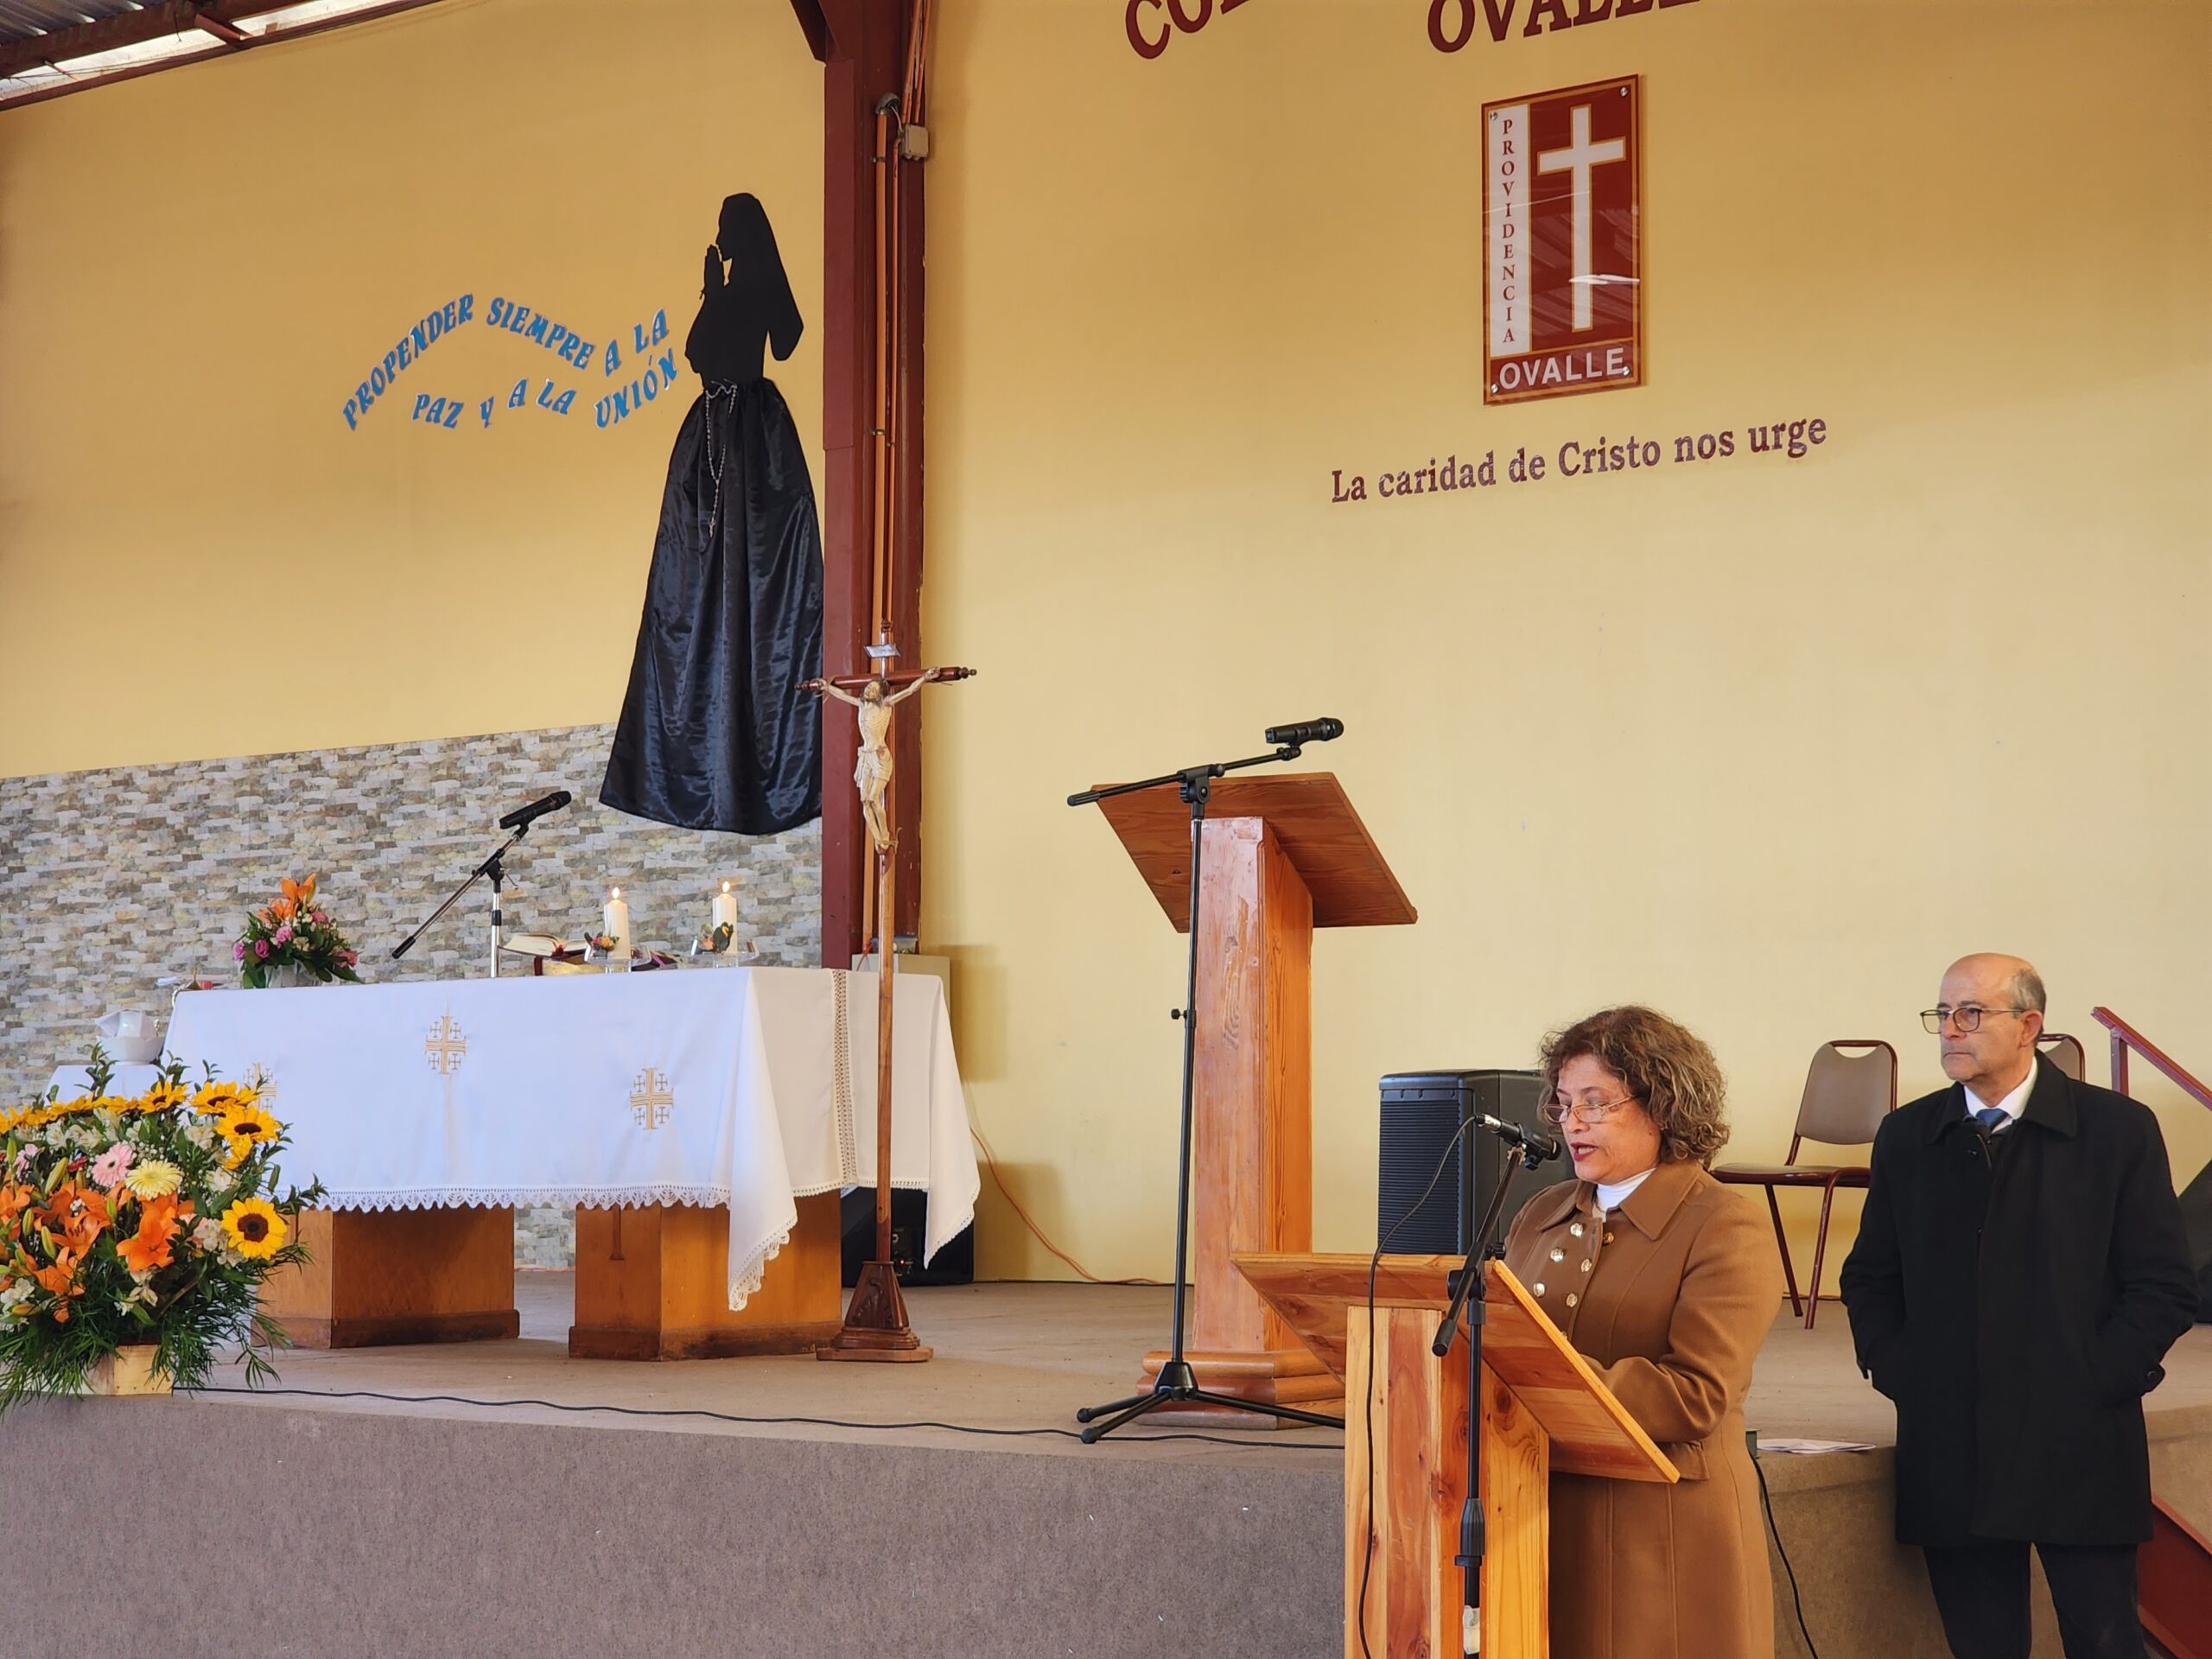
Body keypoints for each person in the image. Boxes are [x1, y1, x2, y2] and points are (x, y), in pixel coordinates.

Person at [1840, 953, 2196, 1659]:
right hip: (1951, 1441)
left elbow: (2163, 1284)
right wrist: (1902, 1369)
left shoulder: (2117, 1130)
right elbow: (1871, 1276)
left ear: (2029, 1026)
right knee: (1983, 1646)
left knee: (2105, 1640)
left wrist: (2098, 1376)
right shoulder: (1908, 1135)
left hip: (2079, 1439)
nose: (1950, 1029)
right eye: (1942, 1014)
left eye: (1970, 1013)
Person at [1501, 1006, 1784, 1659]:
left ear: (1663, 1106)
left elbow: (1696, 1395)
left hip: (1661, 1525)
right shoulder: (1541, 1212)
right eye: (1563, 1103)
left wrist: (1542, 1384)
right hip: (1538, 1508)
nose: (1572, 1122)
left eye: (1595, 1103)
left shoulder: (1724, 1225)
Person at [601, 192, 824, 836]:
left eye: (725, 228)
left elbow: (721, 348)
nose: (719, 238)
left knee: (749, 575)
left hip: (741, 443)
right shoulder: (739, 285)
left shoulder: (745, 287)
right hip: (719, 439)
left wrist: (716, 294)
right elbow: (724, 349)